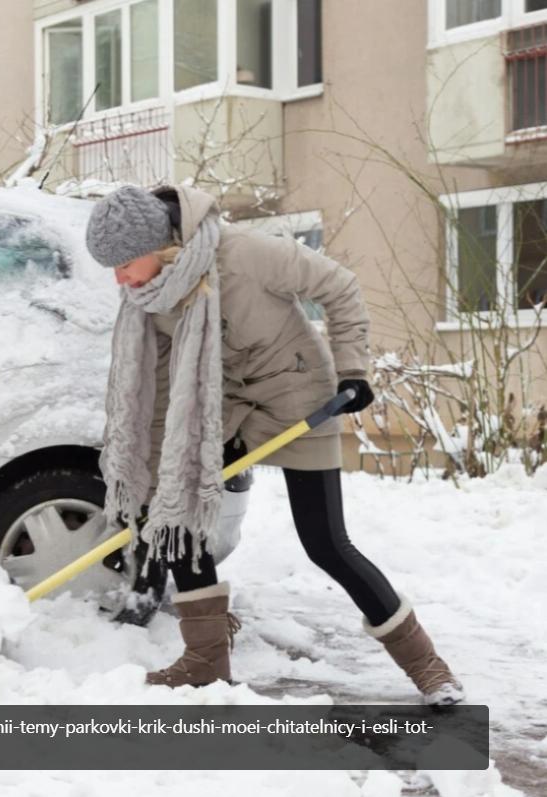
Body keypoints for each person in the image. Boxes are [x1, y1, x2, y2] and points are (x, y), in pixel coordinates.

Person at [84, 184, 465, 706]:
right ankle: (205, 660)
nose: (119, 279)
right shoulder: (151, 297)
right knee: (180, 513)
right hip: (223, 407)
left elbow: (340, 286)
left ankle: (428, 667)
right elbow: (162, 389)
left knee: (325, 543)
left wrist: (353, 369)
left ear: (157, 245)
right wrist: (155, 475)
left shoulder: (246, 254)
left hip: (297, 399)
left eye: (124, 264)